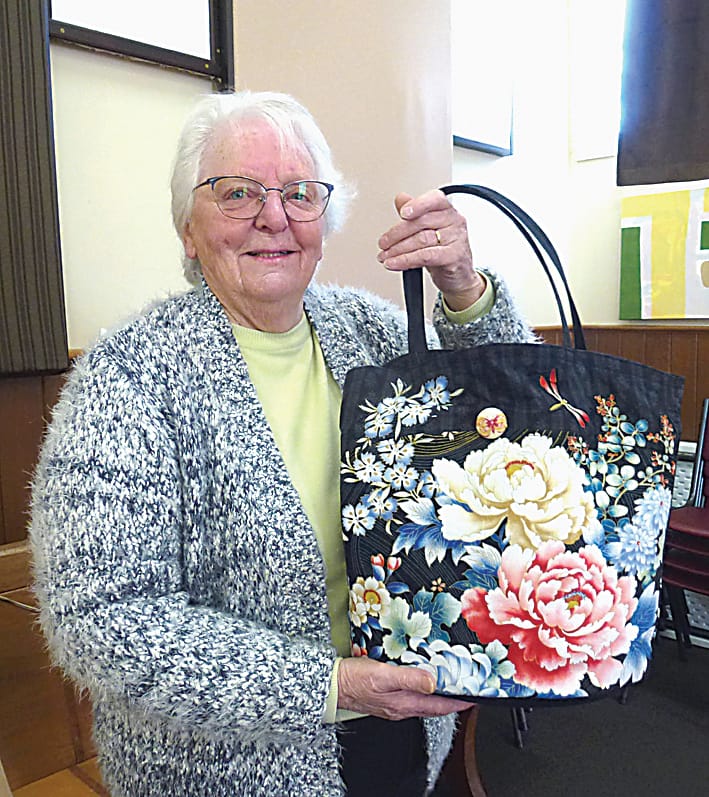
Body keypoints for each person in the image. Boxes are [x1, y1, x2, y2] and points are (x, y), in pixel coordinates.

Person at [29, 90, 535, 796]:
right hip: (222, 768)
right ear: (187, 227)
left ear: (323, 217)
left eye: (298, 193)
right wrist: (328, 685)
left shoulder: (372, 332)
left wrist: (462, 289)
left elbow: (519, 428)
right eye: (236, 193)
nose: (273, 216)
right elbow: (103, 618)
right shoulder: (131, 375)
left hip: (404, 729)